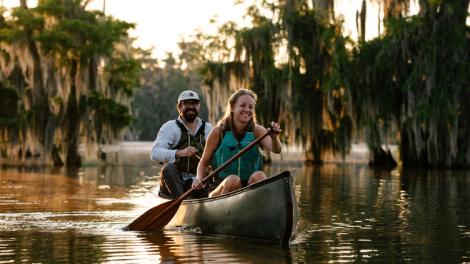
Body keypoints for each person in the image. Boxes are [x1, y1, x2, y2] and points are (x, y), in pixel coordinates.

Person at [192, 89, 281, 197]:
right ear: (233, 107)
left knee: (260, 176)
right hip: (222, 186)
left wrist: (274, 138)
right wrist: (199, 179)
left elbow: (277, 150)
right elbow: (204, 163)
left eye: (250, 107)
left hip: (247, 187)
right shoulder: (218, 132)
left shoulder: (257, 131)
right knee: (233, 180)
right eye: (243, 105)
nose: (247, 109)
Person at [150, 90, 213, 199]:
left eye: (194, 103)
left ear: (198, 107)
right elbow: (154, 153)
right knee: (168, 168)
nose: (191, 107)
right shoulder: (170, 127)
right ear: (179, 107)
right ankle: (181, 201)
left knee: (210, 174)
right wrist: (180, 153)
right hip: (174, 183)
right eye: (186, 103)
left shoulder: (208, 129)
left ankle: (205, 198)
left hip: (197, 182)